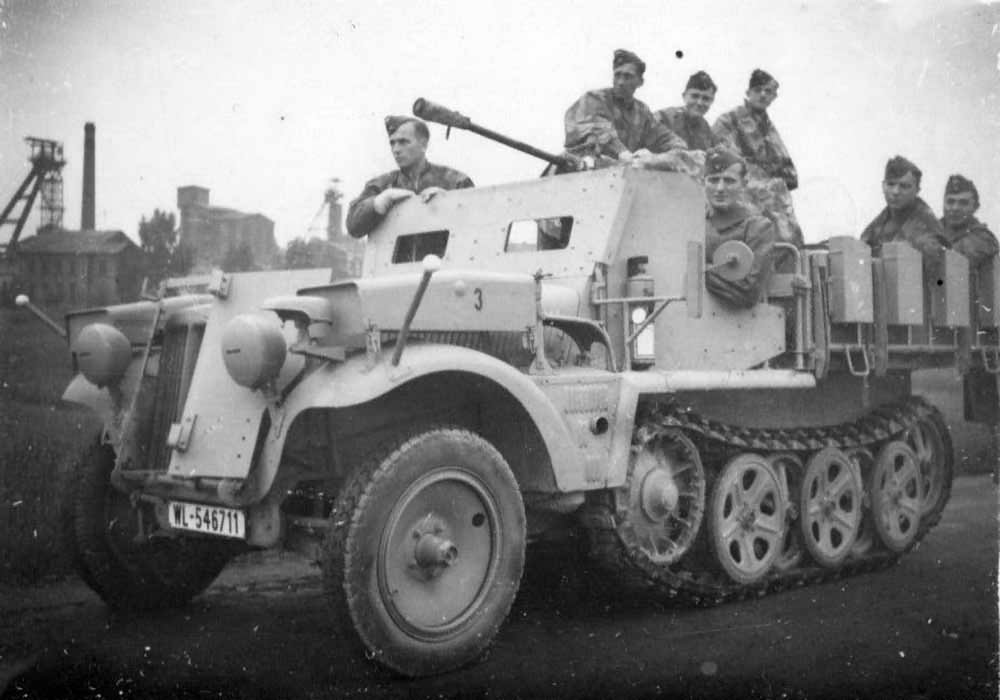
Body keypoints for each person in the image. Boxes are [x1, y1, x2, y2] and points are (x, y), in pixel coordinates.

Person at [712, 69, 801, 246]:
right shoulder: (729, 120)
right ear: (748, 92)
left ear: (774, 96)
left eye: (768, 91)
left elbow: (790, 174)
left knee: (789, 235)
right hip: (737, 190)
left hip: (771, 196)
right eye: (758, 89)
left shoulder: (769, 129)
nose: (763, 95)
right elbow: (724, 158)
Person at [563, 49, 691, 171]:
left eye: (627, 76)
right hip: (581, 173)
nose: (620, 82)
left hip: (623, 178)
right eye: (617, 75)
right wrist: (623, 153)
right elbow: (599, 131)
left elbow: (668, 139)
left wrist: (655, 158)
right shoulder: (594, 99)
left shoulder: (642, 112)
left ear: (640, 82)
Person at [346, 116, 473, 238]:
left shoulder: (456, 181)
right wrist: (376, 204)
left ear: (423, 144)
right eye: (392, 143)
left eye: (403, 142)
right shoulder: (379, 186)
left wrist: (448, 202)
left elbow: (477, 224)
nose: (396, 149)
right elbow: (353, 228)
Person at [703, 147, 778, 308]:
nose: (720, 189)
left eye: (729, 181)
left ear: (743, 185)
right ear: (703, 182)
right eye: (713, 180)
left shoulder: (758, 228)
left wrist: (698, 272)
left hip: (738, 326)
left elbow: (747, 291)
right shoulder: (693, 224)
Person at [860, 156, 947, 258]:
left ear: (917, 190)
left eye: (904, 186)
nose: (895, 192)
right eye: (891, 184)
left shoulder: (928, 228)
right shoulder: (875, 228)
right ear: (883, 186)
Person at [939, 174, 999, 268]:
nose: (955, 208)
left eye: (963, 203)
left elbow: (956, 256)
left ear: (975, 207)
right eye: (950, 202)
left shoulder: (983, 238)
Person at [654, 70, 719, 151]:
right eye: (694, 96)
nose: (699, 103)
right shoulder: (664, 118)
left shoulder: (706, 130)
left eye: (705, 98)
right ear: (684, 96)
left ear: (711, 101)